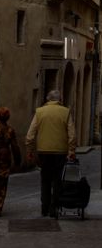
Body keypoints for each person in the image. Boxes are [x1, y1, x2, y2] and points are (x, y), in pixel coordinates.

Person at [25, 90, 76, 218]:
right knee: (57, 180)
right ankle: (54, 208)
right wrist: (71, 151)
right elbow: (72, 135)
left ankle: (44, 207)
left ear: (48, 99)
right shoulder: (66, 112)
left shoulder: (39, 112)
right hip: (60, 152)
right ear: (59, 100)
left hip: (43, 151)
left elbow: (30, 135)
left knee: (45, 179)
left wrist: (29, 150)